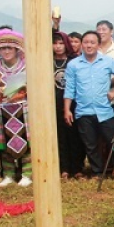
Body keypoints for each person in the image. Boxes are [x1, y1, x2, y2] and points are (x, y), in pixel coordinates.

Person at [63, 31, 114, 177]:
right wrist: (67, 109)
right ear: (82, 45)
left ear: (98, 45)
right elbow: (69, 88)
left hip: (105, 110)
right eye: (86, 42)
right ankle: (98, 172)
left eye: (92, 42)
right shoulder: (73, 65)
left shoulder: (107, 61)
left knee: (113, 141)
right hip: (83, 111)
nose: (89, 45)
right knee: (91, 145)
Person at [0, 29, 32, 187]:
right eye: (3, 48)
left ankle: (27, 173)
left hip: (23, 107)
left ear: (17, 49)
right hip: (1, 107)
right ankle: (9, 174)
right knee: (3, 140)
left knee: (26, 139)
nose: (6, 51)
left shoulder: (27, 65)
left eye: (9, 48)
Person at [52, 31, 85, 179]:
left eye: (61, 43)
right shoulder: (47, 61)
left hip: (74, 103)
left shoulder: (75, 61)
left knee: (75, 135)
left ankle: (77, 168)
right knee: (60, 136)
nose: (58, 47)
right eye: (55, 43)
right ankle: (64, 168)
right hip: (54, 103)